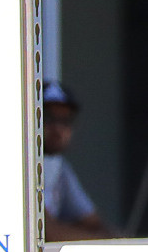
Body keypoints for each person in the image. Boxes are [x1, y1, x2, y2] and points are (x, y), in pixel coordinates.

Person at [40, 80, 117, 242]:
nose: (58, 129)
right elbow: (43, 232)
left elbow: (92, 222)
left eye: (65, 120)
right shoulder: (20, 164)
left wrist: (118, 242)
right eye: (48, 118)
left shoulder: (58, 166)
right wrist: (108, 243)